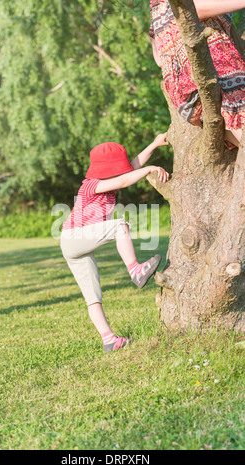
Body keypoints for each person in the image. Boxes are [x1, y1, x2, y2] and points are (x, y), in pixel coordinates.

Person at [60, 134, 169, 353]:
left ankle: (109, 340)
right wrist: (150, 170)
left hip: (72, 244)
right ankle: (135, 270)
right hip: (75, 237)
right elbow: (124, 179)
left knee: (93, 296)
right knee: (120, 225)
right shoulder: (92, 185)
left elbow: (133, 166)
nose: (124, 169)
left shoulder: (106, 183)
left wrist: (155, 144)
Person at [149, 0, 245, 147]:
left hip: (191, 94)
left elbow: (158, 59)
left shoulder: (157, 7)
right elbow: (193, 10)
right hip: (220, 78)